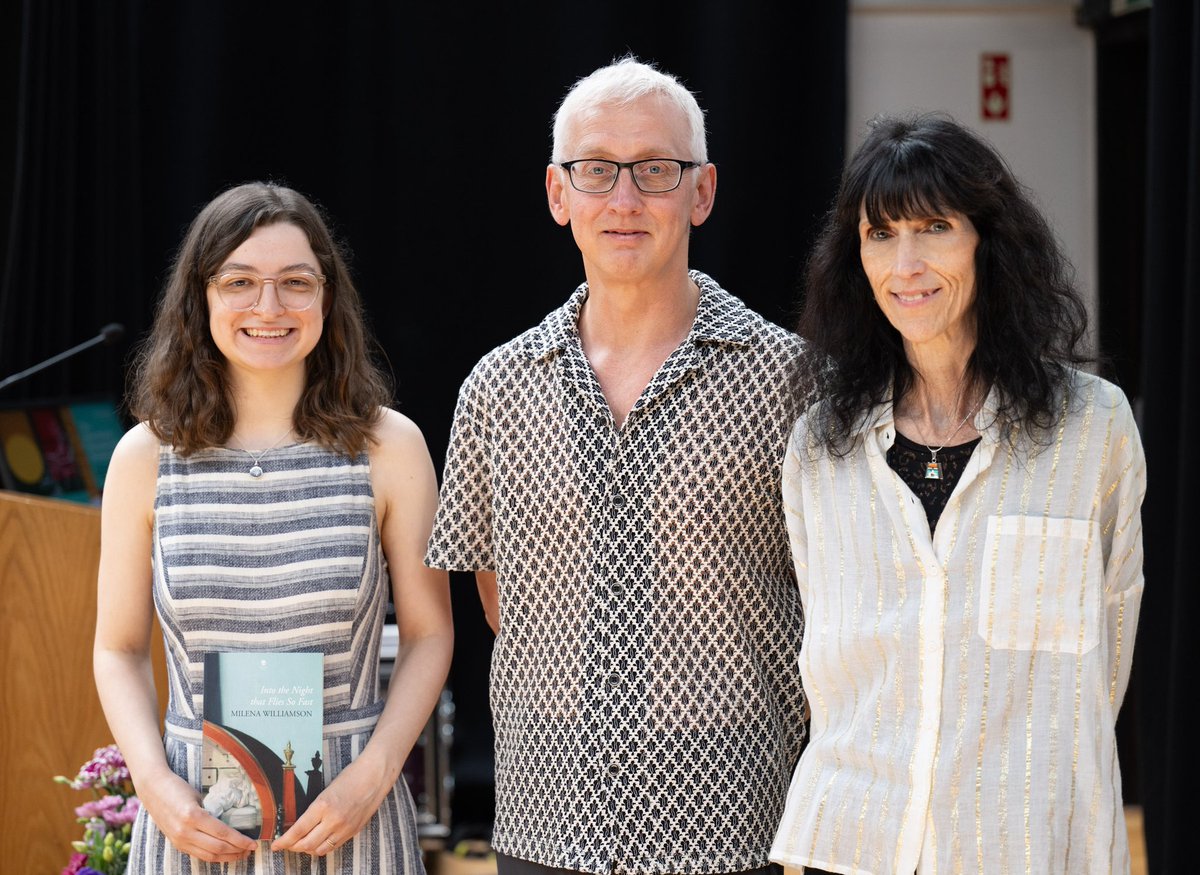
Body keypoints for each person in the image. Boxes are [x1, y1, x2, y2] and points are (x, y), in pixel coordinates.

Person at [425, 55, 812, 875]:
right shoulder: (497, 387)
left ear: (701, 191)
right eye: (596, 170)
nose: (625, 198)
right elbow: (502, 599)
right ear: (558, 194)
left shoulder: (794, 382)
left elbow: (833, 594)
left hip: (738, 817)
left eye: (656, 170)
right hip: (547, 818)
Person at [768, 112, 1147, 875]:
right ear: (857, 260)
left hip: (1027, 845)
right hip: (856, 843)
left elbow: (1109, 654)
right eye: (880, 234)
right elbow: (828, 664)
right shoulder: (819, 448)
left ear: (987, 240)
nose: (905, 263)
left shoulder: (1093, 428)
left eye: (934, 226)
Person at [93, 181, 453, 873]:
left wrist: (373, 777)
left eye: (295, 282)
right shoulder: (144, 458)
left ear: (327, 295)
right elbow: (118, 649)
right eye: (240, 281)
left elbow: (431, 633)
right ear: (200, 296)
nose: (269, 306)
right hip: (191, 822)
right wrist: (155, 785)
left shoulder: (390, 446)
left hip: (351, 818)